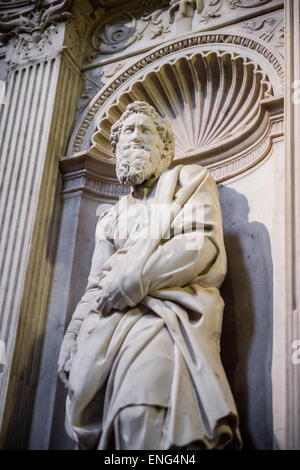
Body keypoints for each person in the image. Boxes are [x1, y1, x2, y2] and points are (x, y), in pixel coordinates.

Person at [58, 101, 242, 450]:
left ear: (165, 148)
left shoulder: (187, 180)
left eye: (145, 131)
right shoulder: (110, 217)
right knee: (114, 424)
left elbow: (200, 247)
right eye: (128, 132)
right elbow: (95, 284)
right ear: (116, 150)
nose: (135, 138)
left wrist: (135, 281)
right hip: (108, 323)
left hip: (164, 314)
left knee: (141, 410)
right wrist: (72, 335)